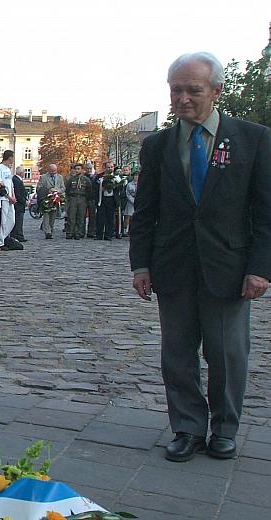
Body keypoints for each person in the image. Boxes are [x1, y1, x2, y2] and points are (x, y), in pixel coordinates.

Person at [130, 52, 271, 463]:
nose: (184, 98)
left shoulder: (253, 139)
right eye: (176, 90)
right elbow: (146, 211)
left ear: (216, 91)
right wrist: (141, 264)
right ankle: (188, 427)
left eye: (194, 90)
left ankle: (225, 428)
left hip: (229, 268)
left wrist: (261, 268)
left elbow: (266, 212)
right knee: (176, 353)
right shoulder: (157, 146)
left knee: (228, 352)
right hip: (173, 266)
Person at [35, 163, 65, 239]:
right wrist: (48, 190)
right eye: (52, 171)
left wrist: (57, 191)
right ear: (49, 170)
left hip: (56, 199)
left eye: (55, 171)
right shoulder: (43, 177)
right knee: (46, 216)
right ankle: (47, 232)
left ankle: (50, 229)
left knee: (53, 216)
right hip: (46, 199)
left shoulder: (60, 177)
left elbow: (63, 188)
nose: (53, 172)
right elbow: (39, 188)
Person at [64, 163, 92, 240]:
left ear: (82, 170)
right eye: (76, 169)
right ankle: (70, 232)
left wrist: (86, 199)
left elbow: (89, 190)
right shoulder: (71, 179)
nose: (77, 170)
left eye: (78, 169)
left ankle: (79, 233)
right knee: (71, 216)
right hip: (73, 198)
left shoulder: (86, 180)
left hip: (82, 198)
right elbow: (67, 190)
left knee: (81, 216)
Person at [0, 149, 16, 248]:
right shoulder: (0, 168)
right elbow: (1, 185)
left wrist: (13, 195)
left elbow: (10, 184)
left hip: (10, 198)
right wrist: (8, 196)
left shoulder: (8, 169)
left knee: (11, 220)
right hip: (3, 198)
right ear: (10, 157)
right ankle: (0, 241)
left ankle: (4, 237)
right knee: (3, 221)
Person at [93, 160, 117, 240]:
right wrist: (101, 188)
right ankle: (99, 235)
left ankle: (108, 235)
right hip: (102, 199)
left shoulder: (116, 177)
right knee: (100, 217)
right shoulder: (99, 176)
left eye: (111, 167)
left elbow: (120, 188)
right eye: (108, 167)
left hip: (111, 199)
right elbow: (95, 187)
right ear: (104, 168)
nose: (110, 169)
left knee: (110, 218)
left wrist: (115, 187)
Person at [10, 166, 28, 242]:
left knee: (19, 220)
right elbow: (18, 193)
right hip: (18, 205)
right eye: (24, 172)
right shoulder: (16, 180)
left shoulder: (17, 179)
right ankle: (18, 235)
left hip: (19, 204)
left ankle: (18, 235)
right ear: (21, 173)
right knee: (18, 221)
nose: (24, 174)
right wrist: (24, 201)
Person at [85, 160, 98, 238]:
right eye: (87, 169)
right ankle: (81, 231)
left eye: (90, 168)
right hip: (84, 197)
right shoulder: (83, 177)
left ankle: (91, 231)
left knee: (92, 216)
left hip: (92, 198)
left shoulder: (96, 176)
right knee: (82, 215)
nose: (89, 170)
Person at [123, 171, 137, 236]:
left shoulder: (142, 184)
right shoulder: (129, 184)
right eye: (135, 175)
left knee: (135, 217)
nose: (136, 177)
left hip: (138, 202)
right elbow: (127, 193)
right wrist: (132, 200)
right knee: (128, 216)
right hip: (130, 202)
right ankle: (125, 230)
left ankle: (133, 230)